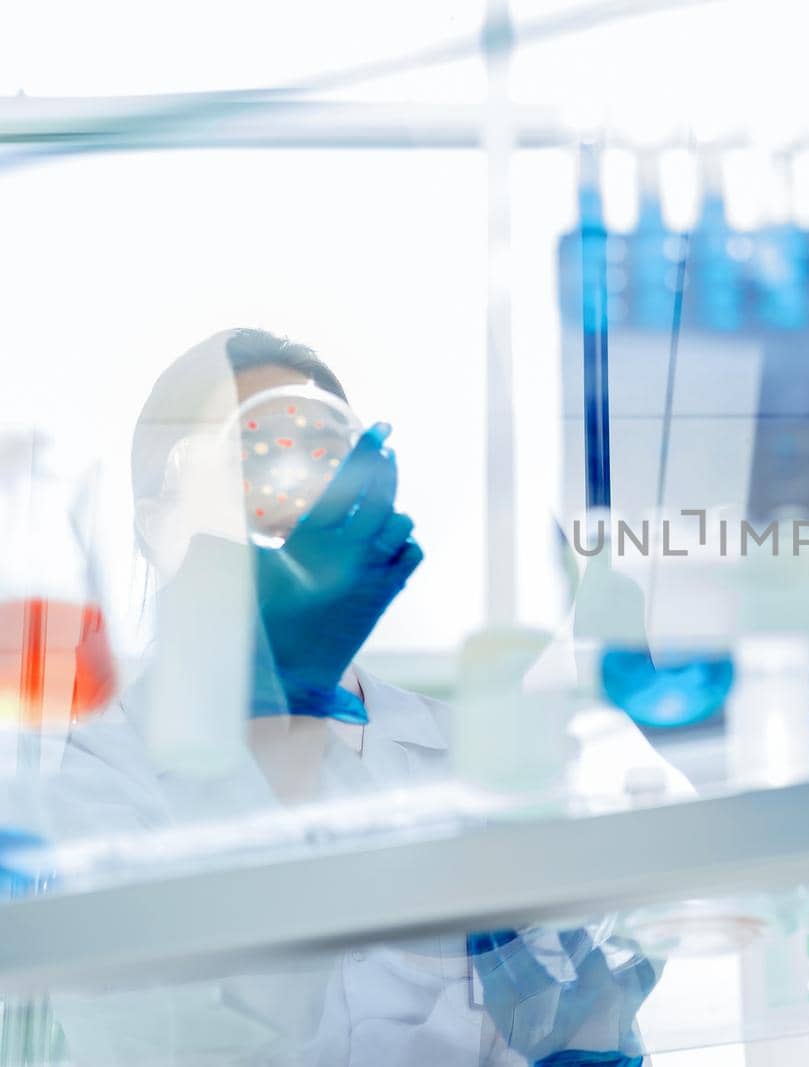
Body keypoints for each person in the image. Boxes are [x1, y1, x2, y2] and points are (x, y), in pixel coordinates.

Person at [17, 329, 659, 1066]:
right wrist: (278, 704)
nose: (288, 496)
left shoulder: (462, 757)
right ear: (156, 521)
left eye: (320, 460)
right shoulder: (89, 775)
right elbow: (171, 1045)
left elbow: (584, 1021)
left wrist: (584, 1027)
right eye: (252, 458)